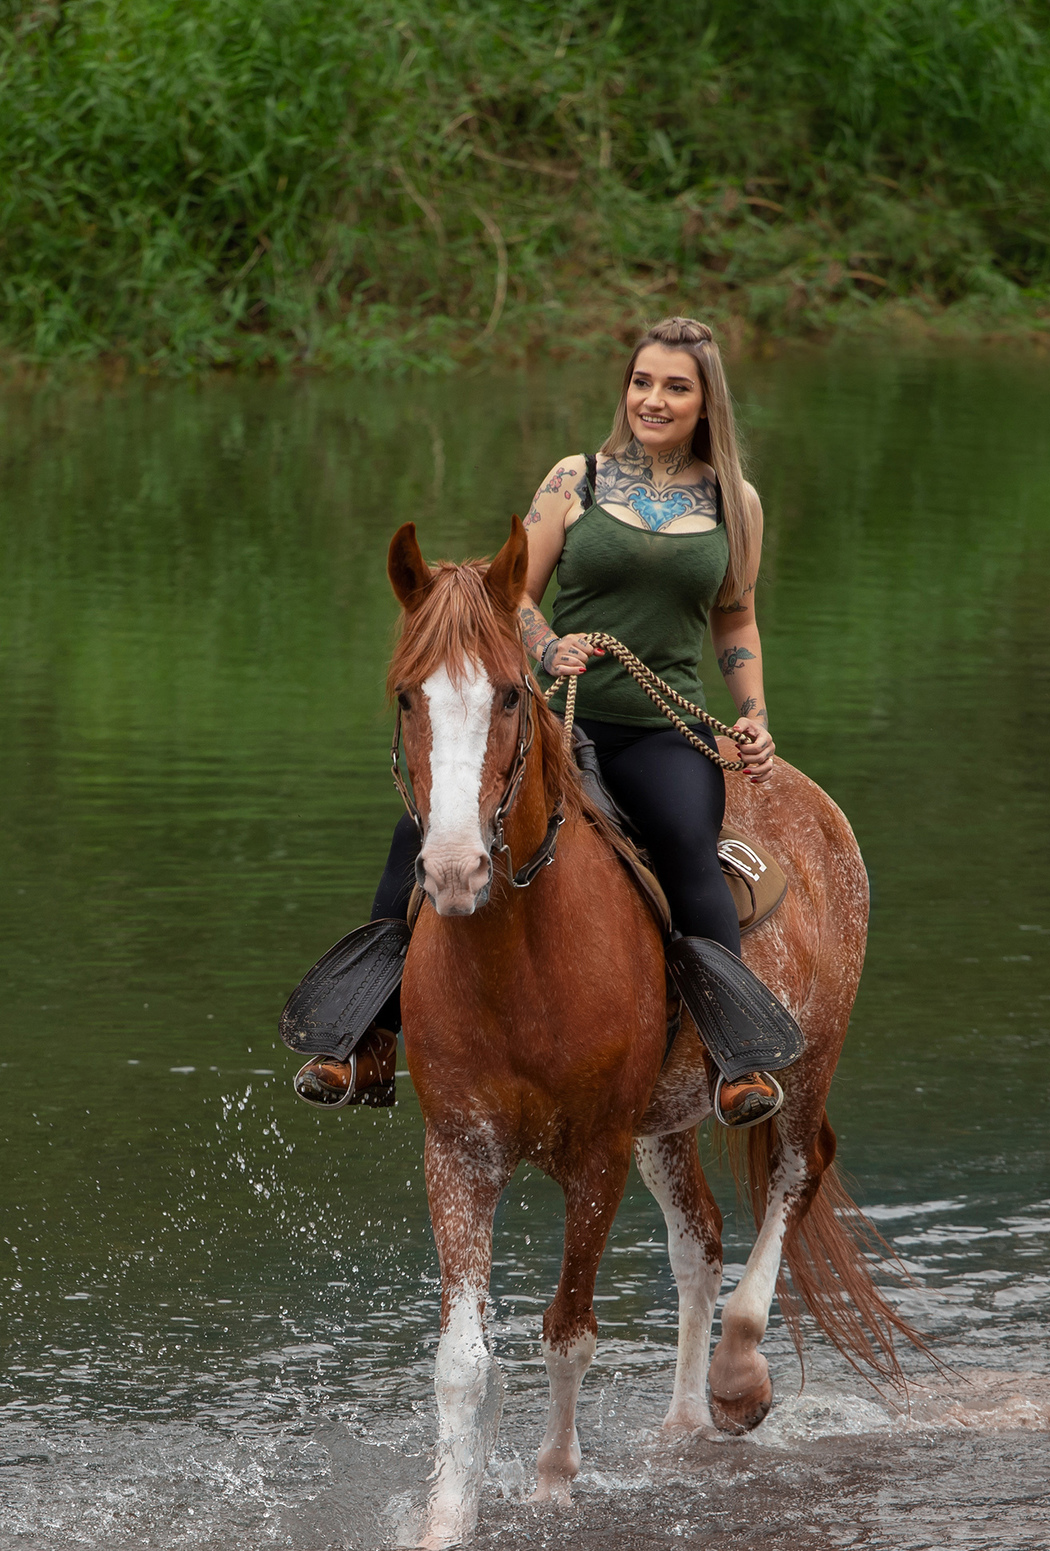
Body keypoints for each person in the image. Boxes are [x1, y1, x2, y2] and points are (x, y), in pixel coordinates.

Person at [297, 315, 780, 1125]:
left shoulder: (736, 503)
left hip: (661, 729)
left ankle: (737, 1059)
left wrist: (755, 716)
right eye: (642, 382)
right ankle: (367, 1039)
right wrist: (548, 645)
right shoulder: (574, 481)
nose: (653, 400)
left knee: (688, 848)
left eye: (676, 387)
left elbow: (736, 618)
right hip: (558, 722)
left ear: (706, 403)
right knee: (419, 832)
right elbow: (509, 590)